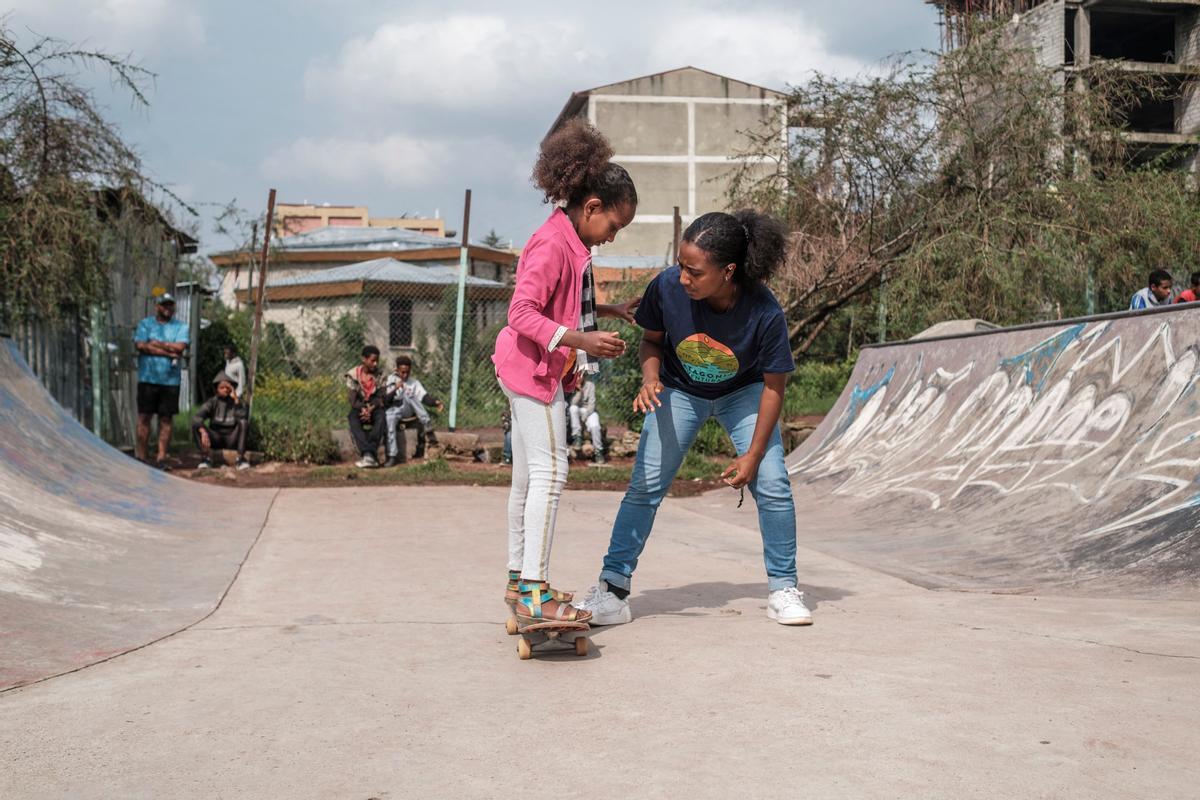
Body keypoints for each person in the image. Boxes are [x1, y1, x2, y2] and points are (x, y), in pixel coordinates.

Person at [574, 209, 814, 627]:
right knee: (645, 486)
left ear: (728, 271)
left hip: (744, 392)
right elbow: (652, 342)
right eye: (682, 266)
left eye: (694, 272)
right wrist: (650, 379)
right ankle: (612, 591)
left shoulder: (764, 311)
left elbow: (775, 386)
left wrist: (753, 457)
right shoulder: (667, 286)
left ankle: (783, 588)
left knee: (773, 482)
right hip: (679, 390)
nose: (683, 277)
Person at [492, 119, 640, 625]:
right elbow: (522, 313)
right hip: (530, 373)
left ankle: (520, 579)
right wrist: (581, 341)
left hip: (532, 368)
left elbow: (564, 302)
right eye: (614, 227)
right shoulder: (554, 244)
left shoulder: (570, 241)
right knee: (552, 474)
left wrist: (611, 311)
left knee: (528, 480)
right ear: (592, 207)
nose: (613, 237)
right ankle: (535, 592)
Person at [133, 292, 189, 469]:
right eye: (164, 305)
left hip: (170, 381)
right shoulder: (145, 324)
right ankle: (141, 456)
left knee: (166, 419)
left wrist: (157, 343)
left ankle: (161, 457)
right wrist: (168, 352)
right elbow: (141, 345)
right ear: (157, 306)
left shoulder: (181, 326)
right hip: (148, 378)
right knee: (144, 417)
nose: (167, 308)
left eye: (170, 305)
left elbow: (180, 347)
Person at [382, 355, 443, 467]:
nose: (405, 375)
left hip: (407, 409)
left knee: (408, 392)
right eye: (402, 372)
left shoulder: (414, 382)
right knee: (389, 420)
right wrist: (396, 388)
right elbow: (386, 400)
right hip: (394, 409)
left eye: (407, 372)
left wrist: (435, 402)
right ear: (397, 370)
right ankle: (392, 456)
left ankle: (427, 423)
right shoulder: (390, 380)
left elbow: (424, 397)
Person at [191, 372, 249, 470]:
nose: (225, 390)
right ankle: (205, 459)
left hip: (231, 439)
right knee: (196, 426)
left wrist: (236, 401)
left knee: (244, 423)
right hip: (215, 439)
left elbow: (243, 416)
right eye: (222, 387)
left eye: (228, 387)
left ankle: (240, 459)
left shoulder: (236, 401)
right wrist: (202, 430)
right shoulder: (212, 402)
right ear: (217, 390)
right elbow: (196, 417)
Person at [345, 345, 386, 468]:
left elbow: (381, 398)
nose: (375, 363)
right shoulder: (353, 374)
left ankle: (369, 454)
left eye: (377, 360)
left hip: (374, 407)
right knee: (352, 418)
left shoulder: (380, 375)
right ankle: (368, 454)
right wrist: (363, 409)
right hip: (359, 407)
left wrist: (371, 408)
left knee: (382, 417)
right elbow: (352, 400)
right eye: (372, 360)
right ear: (364, 359)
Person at [569, 372, 606, 465]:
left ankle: (598, 451)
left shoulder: (590, 385)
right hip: (578, 410)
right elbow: (573, 404)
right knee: (573, 409)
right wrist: (579, 391)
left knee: (595, 426)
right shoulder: (572, 386)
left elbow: (592, 404)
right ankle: (577, 437)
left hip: (589, 411)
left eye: (581, 376)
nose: (579, 378)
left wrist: (584, 417)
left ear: (584, 376)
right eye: (577, 376)